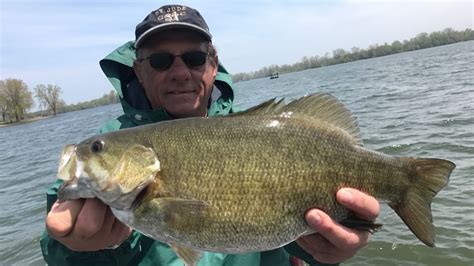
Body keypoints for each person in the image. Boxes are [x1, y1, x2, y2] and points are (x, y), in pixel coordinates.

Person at [41, 4, 379, 266]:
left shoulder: (260, 137)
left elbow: (299, 244)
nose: (179, 72)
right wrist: (77, 248)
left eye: (194, 57)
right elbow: (57, 249)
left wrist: (330, 251)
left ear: (213, 64)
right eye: (160, 61)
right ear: (139, 72)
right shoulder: (108, 145)